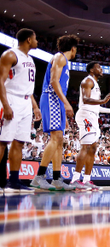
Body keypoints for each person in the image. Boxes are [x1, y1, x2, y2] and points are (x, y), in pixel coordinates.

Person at [31, 34, 79, 191]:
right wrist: (65, 103)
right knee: (55, 138)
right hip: (51, 98)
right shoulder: (60, 57)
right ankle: (39, 176)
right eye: (76, 49)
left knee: (59, 140)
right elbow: (53, 81)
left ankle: (57, 179)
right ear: (73, 48)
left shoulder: (63, 61)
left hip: (56, 101)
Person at [0, 28, 41, 193]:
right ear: (29, 40)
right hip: (10, 99)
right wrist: (6, 105)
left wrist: (35, 106)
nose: (37, 41)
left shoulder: (30, 59)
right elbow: (0, 82)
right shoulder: (10, 55)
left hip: (25, 102)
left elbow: (28, 88)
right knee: (3, 141)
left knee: (19, 142)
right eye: (35, 38)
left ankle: (14, 181)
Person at [69, 62, 110, 190]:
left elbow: (95, 105)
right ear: (91, 69)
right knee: (85, 147)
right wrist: (103, 101)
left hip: (93, 116)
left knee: (93, 148)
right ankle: (75, 179)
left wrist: (109, 110)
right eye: (98, 67)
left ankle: (87, 179)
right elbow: (86, 100)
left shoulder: (95, 84)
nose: (101, 69)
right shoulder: (88, 81)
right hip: (85, 115)